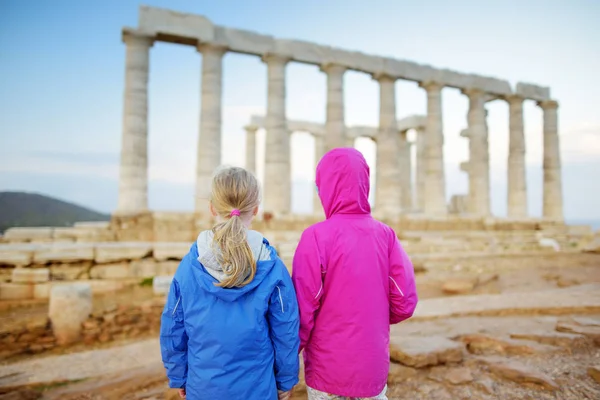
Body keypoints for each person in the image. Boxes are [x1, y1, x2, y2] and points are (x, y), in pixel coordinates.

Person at [160, 166, 300, 400]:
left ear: (212, 207)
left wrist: (178, 375)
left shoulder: (189, 266)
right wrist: (285, 379)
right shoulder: (272, 267)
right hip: (258, 390)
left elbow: (173, 326)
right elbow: (285, 329)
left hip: (203, 389)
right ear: (255, 209)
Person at [292, 148, 418, 400]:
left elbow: (302, 314)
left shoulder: (315, 237)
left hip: (326, 371)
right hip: (371, 368)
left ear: (325, 187)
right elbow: (404, 303)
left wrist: (286, 363)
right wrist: (371, 319)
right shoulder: (386, 236)